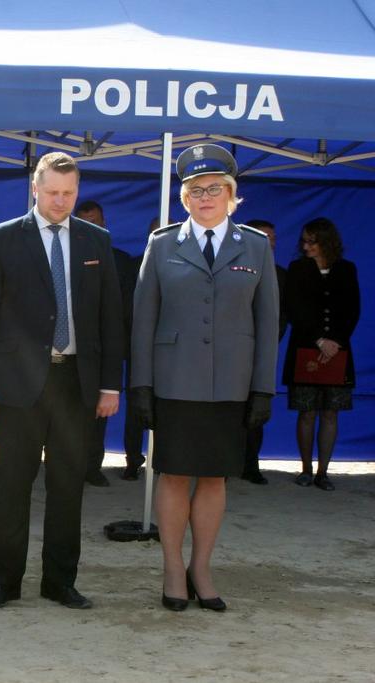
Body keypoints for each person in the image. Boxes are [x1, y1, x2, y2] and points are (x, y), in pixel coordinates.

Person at [0, 152, 123, 611]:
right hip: (17, 386)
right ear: (35, 188)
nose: (60, 201)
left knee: (67, 487)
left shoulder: (96, 240)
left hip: (77, 383)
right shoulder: (1, 239)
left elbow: (110, 318)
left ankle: (60, 581)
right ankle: (5, 583)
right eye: (53, 192)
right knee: (12, 486)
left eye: (69, 193)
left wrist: (110, 386)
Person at [129, 143, 279, 612]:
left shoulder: (255, 246)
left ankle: (202, 567)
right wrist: (142, 385)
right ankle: (173, 568)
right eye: (195, 190)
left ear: (232, 195)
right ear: (184, 198)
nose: (204, 196)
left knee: (214, 479)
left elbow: (268, 322)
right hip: (175, 381)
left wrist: (262, 387)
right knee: (173, 476)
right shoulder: (162, 244)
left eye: (215, 188)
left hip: (230, 385)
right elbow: (143, 320)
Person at [282, 217, 360, 492]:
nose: (306, 246)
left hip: (338, 350)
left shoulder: (346, 269)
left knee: (330, 413)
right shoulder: (298, 268)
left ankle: (323, 472)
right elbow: (294, 308)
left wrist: (335, 341)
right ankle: (305, 469)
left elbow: (353, 309)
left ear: (326, 242)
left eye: (311, 241)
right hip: (306, 346)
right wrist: (319, 339)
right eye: (304, 240)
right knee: (306, 411)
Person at [74, 199, 137, 487]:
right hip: (67, 350)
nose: (89, 226)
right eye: (83, 220)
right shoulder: (62, 255)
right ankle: (65, 464)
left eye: (94, 220)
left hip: (103, 351)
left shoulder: (120, 261)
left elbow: (124, 310)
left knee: (99, 411)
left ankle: (91, 466)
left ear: (104, 222)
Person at [240, 218, 289, 485]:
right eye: (263, 236)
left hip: (262, 354)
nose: (269, 242)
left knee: (257, 410)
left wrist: (268, 341)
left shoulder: (281, 274)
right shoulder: (233, 268)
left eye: (272, 237)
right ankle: (228, 462)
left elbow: (283, 316)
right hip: (232, 354)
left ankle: (251, 465)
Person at [120, 216, 161, 481]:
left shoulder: (186, 266)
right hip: (138, 348)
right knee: (136, 407)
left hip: (172, 352)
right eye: (156, 232)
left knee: (169, 408)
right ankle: (133, 460)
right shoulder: (133, 266)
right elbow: (125, 307)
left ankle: (163, 462)